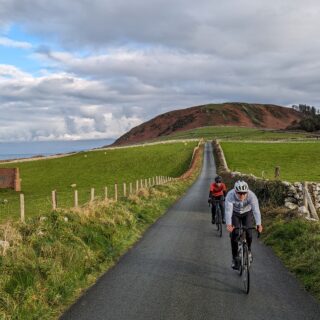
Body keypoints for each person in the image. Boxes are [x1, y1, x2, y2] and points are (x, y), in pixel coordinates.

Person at [225, 180, 263, 269]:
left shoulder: (252, 196)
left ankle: (249, 251)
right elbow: (228, 211)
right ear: (235, 191)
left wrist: (259, 224)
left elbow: (256, 211)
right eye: (239, 193)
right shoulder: (230, 195)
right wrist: (229, 224)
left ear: (247, 192)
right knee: (234, 235)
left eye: (244, 193)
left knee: (249, 233)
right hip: (235, 213)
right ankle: (235, 258)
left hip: (247, 213)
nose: (242, 195)